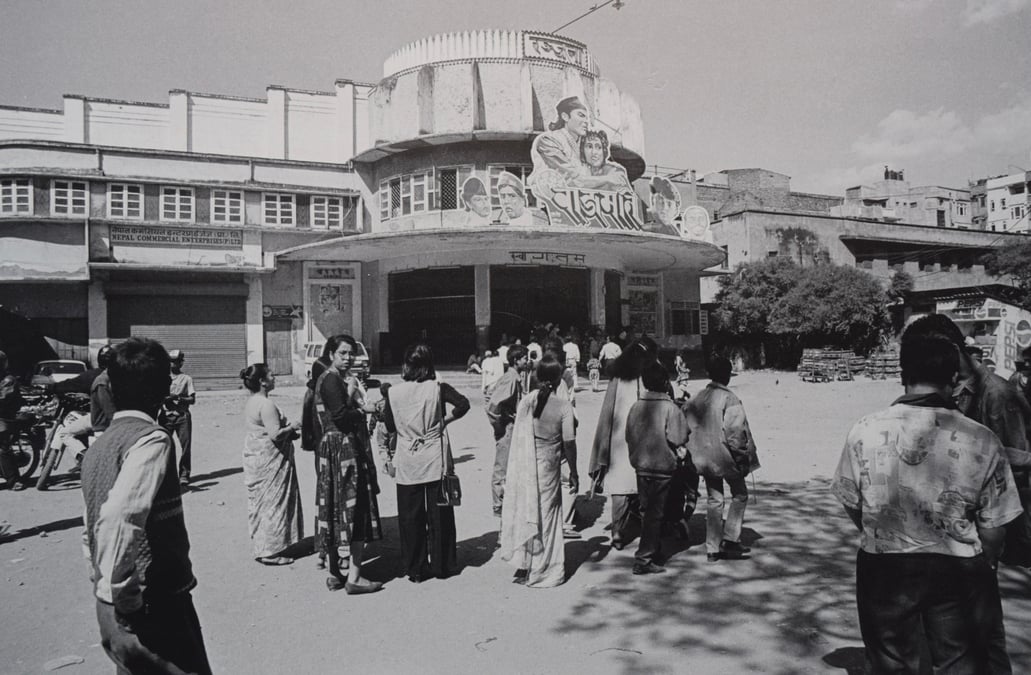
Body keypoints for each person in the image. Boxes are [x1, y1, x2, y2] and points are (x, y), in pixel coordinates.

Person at [832, 332, 1023, 673]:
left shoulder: (864, 430)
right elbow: (995, 526)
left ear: (903, 373)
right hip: (958, 567)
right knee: (960, 662)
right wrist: (985, 564)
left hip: (884, 568)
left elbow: (852, 500)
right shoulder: (982, 439)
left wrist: (884, 529)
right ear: (953, 378)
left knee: (889, 663)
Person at [904, 313, 1030, 673]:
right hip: (948, 536)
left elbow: (1016, 469)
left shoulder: (998, 396)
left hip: (982, 535)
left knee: (986, 637)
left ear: (952, 351)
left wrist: (992, 543)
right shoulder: (944, 387)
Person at [81, 337, 212, 674]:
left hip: (109, 606)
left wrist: (103, 583)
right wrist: (126, 596)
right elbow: (117, 517)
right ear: (159, 388)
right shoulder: (152, 440)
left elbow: (90, 525)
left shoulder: (99, 446)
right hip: (154, 603)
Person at [382, 343, 470, 582]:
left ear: (406, 365)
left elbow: (389, 426)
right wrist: (444, 421)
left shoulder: (393, 393)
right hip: (434, 458)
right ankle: (442, 566)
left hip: (407, 458)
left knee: (410, 516)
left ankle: (416, 569)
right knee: (439, 513)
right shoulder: (438, 388)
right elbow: (463, 404)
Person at [499, 355, 578, 587]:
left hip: (527, 465)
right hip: (549, 465)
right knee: (549, 516)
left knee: (528, 510)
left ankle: (527, 565)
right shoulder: (563, 406)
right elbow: (569, 442)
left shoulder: (528, 401)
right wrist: (574, 471)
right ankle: (544, 570)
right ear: (559, 378)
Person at [313, 334, 383, 594]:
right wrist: (362, 409)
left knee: (333, 507)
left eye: (351, 353)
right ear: (331, 353)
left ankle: (335, 573)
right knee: (355, 509)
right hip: (344, 450)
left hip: (333, 450)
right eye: (343, 353)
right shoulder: (332, 380)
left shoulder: (329, 379)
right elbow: (341, 417)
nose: (348, 358)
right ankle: (353, 576)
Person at [684, 355, 759, 562]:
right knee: (740, 494)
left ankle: (712, 548)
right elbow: (735, 435)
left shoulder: (697, 397)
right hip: (726, 458)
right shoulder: (730, 399)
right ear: (727, 376)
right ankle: (730, 539)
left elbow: (687, 426)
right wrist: (743, 458)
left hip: (703, 459)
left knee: (714, 499)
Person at [589, 338, 660, 550]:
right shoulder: (647, 376)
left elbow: (607, 415)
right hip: (644, 438)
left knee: (619, 486)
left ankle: (618, 532)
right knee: (644, 483)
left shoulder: (616, 379)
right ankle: (645, 529)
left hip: (618, 440)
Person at [625, 360, 690, 575]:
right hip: (662, 466)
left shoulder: (636, 406)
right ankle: (644, 558)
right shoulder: (670, 408)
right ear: (664, 381)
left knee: (647, 511)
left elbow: (629, 436)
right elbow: (679, 436)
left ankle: (654, 550)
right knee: (655, 513)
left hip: (641, 465)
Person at [240, 363, 304, 566]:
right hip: (269, 459)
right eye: (271, 375)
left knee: (263, 503)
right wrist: (293, 426)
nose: (274, 378)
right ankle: (270, 550)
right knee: (273, 502)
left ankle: (266, 545)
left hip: (257, 456)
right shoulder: (266, 405)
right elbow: (275, 434)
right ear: (263, 382)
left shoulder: (253, 401)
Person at [49, 345, 113, 470]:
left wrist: (51, 388)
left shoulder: (95, 376)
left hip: (99, 418)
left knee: (65, 432)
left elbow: (70, 384)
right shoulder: (125, 376)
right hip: (121, 418)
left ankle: (82, 456)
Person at [487, 344, 530, 519]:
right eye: (524, 358)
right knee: (502, 468)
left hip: (513, 427)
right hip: (508, 428)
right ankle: (499, 504)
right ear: (515, 360)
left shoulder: (515, 377)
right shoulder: (511, 379)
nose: (527, 361)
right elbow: (493, 405)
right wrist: (501, 426)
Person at [160, 350, 195, 486]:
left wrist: (180, 398)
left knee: (185, 447)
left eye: (176, 361)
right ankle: (166, 475)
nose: (173, 364)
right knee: (164, 447)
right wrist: (164, 399)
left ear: (181, 363)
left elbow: (192, 399)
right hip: (166, 417)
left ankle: (184, 474)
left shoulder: (186, 379)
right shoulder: (162, 378)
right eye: (171, 361)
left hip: (182, 417)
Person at [0, 350, 26, 490]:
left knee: (2, 447)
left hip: (5, 417)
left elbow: (3, 399)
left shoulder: (8, 380)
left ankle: (13, 480)